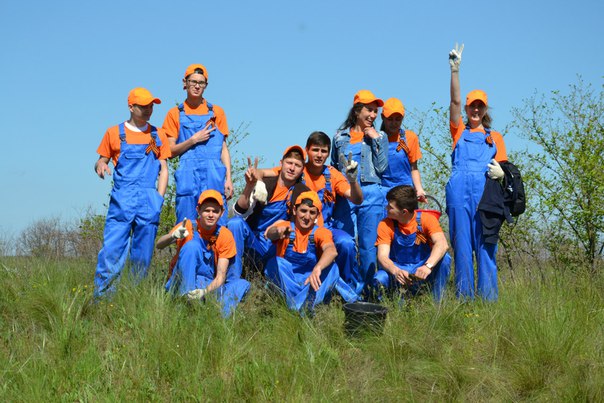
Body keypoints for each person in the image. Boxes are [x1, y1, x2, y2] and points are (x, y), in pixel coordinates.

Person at [258, 131, 363, 292]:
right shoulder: (297, 169)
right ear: (307, 150)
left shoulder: (332, 175)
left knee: (346, 243)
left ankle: (349, 290)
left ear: (328, 153)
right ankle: (284, 286)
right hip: (298, 229)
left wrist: (353, 181)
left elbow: (356, 199)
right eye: (315, 150)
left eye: (324, 151)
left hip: (325, 228)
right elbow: (262, 172)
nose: (319, 155)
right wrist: (258, 181)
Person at [94, 88, 170, 298]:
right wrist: (101, 165)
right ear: (131, 107)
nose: (148, 110)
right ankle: (103, 300)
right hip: (122, 200)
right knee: (111, 251)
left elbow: (163, 169)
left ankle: (133, 299)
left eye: (151, 106)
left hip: (149, 200)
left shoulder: (158, 135)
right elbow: (101, 160)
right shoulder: (114, 133)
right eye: (143, 106)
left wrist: (159, 198)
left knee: (142, 256)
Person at [447, 43, 508, 300]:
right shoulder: (458, 131)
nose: (475, 110)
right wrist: (455, 71)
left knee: (486, 246)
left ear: (485, 110)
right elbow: (454, 101)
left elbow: (506, 169)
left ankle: (488, 301)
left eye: (480, 106)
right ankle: (464, 300)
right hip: (459, 194)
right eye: (472, 106)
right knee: (462, 246)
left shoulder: (495, 137)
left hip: (486, 197)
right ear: (466, 109)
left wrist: (502, 175)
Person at [331, 90, 389, 294]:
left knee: (368, 246)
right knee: (345, 242)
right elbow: (334, 168)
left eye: (375, 111)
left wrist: (376, 139)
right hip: (346, 194)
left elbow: (382, 168)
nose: (373, 115)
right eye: (369, 110)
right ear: (357, 111)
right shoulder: (339, 137)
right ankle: (346, 291)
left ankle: (369, 291)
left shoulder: (380, 136)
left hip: (372, 193)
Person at [264, 191, 358, 312]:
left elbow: (331, 251)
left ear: (317, 216)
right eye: (303, 211)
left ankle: (297, 307)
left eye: (312, 212)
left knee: (332, 268)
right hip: (288, 282)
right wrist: (276, 232)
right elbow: (269, 234)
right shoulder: (286, 227)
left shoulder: (321, 232)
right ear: (294, 210)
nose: (307, 217)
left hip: (310, 283)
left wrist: (318, 268)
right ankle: (301, 307)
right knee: (275, 262)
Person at [162, 63, 233, 224]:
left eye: (201, 83)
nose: (197, 86)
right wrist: (193, 140)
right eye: (193, 81)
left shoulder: (217, 112)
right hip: (188, 176)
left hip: (214, 176)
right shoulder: (174, 114)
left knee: (217, 225)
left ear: (206, 85)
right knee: (186, 226)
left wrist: (228, 178)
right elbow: (170, 151)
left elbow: (223, 148)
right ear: (185, 83)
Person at [227, 146, 309, 280]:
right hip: (255, 242)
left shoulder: (303, 192)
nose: (292, 168)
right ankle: (232, 278)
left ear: (302, 170)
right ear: (281, 163)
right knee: (235, 223)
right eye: (289, 163)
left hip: (278, 246)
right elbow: (239, 212)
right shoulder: (265, 184)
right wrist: (249, 186)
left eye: (297, 165)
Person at [163, 190, 250, 317]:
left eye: (215, 211)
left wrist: (204, 292)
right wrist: (173, 236)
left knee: (241, 285)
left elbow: (220, 276)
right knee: (192, 246)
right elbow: (160, 245)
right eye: (206, 210)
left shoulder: (225, 235)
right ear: (198, 210)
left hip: (205, 284)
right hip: (181, 280)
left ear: (222, 213)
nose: (210, 215)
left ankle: (216, 316)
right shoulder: (187, 226)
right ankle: (184, 301)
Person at [374, 185, 451, 301]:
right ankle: (387, 306)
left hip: (422, 269)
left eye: (390, 207)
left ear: (404, 212)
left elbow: (442, 244)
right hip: (398, 269)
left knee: (445, 259)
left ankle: (438, 302)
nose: (386, 208)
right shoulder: (385, 224)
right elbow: (382, 256)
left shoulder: (427, 219)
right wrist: (396, 271)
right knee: (380, 278)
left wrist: (428, 266)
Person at [380, 98, 426, 200]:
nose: (394, 123)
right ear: (382, 117)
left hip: (405, 193)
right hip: (383, 193)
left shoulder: (410, 137)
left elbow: (414, 168)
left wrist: (419, 189)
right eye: (390, 119)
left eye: (398, 119)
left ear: (403, 118)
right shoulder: (376, 139)